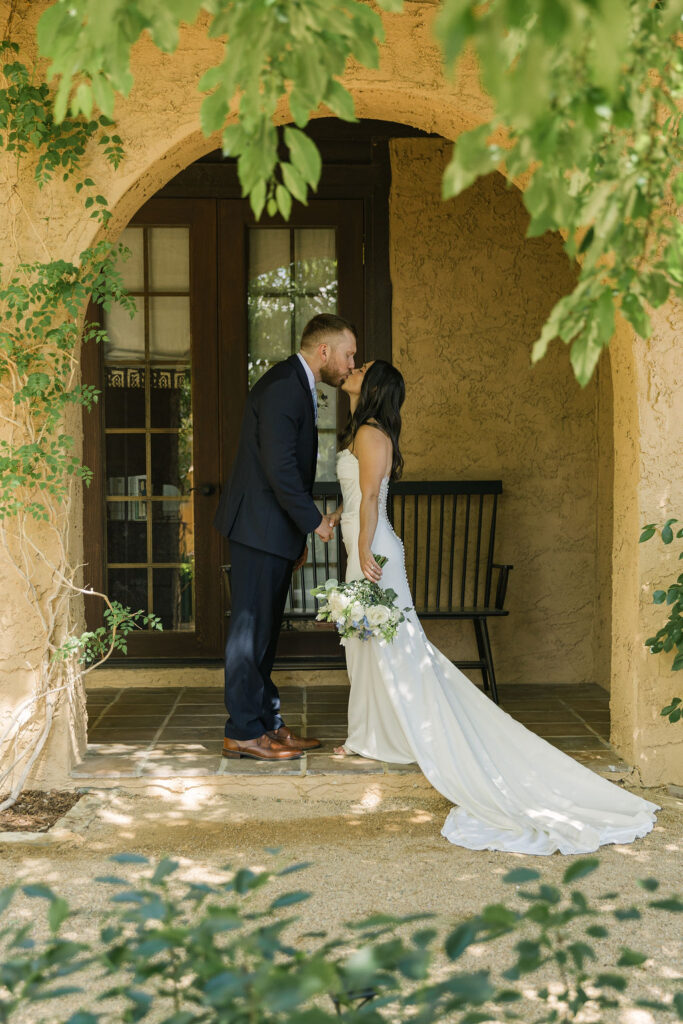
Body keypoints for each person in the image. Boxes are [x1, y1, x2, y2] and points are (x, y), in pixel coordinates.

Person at [329, 359, 659, 854]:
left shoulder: (373, 434)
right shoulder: (363, 431)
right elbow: (357, 494)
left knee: (392, 644)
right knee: (366, 642)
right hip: (365, 540)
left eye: (364, 368)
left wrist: (361, 550)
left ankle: (395, 737)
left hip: (373, 551)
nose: (353, 369)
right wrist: (338, 515)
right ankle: (371, 734)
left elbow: (373, 494)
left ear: (374, 388)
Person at [214, 314, 357, 761]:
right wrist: (314, 522)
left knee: (265, 636)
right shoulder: (282, 387)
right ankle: (242, 730)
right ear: (324, 352)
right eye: (349, 354)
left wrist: (296, 534)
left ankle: (267, 723)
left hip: (272, 530)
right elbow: (278, 468)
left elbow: (288, 468)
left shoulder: (299, 384)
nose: (352, 364)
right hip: (258, 529)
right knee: (248, 634)